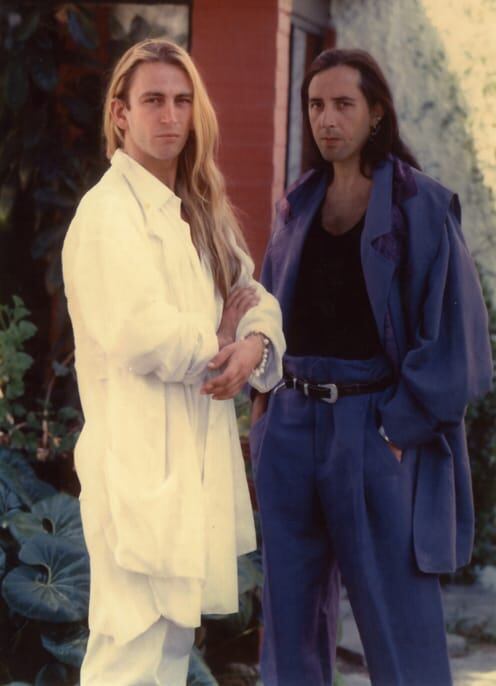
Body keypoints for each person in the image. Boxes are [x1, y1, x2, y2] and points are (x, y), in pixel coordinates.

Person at [249, 48, 493, 686]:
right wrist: (265, 419)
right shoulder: (297, 205)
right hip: (295, 423)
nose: (326, 119)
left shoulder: (423, 209)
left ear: (376, 112)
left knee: (400, 626)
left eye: (342, 104)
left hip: (376, 428)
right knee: (288, 624)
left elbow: (460, 350)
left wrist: (395, 430)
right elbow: (268, 313)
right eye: (315, 105)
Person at [62, 38, 285, 685]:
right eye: (153, 100)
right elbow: (141, 334)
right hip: (136, 469)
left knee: (166, 653)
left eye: (183, 100)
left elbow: (256, 297)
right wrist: (217, 338)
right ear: (120, 114)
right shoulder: (108, 215)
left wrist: (251, 346)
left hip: (190, 469)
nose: (171, 115)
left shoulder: (197, 211)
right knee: (128, 654)